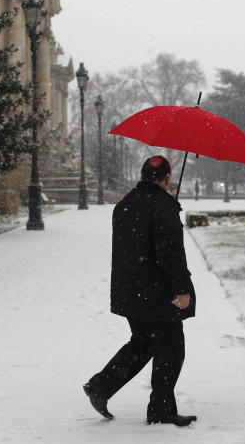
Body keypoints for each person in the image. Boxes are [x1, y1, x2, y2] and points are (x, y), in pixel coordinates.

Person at [83, 155, 197, 427]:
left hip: (131, 291)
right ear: (168, 178)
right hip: (158, 293)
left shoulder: (125, 204)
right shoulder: (163, 206)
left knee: (144, 343)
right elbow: (170, 254)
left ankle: (100, 386)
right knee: (171, 350)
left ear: (143, 175)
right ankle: (161, 410)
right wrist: (181, 289)